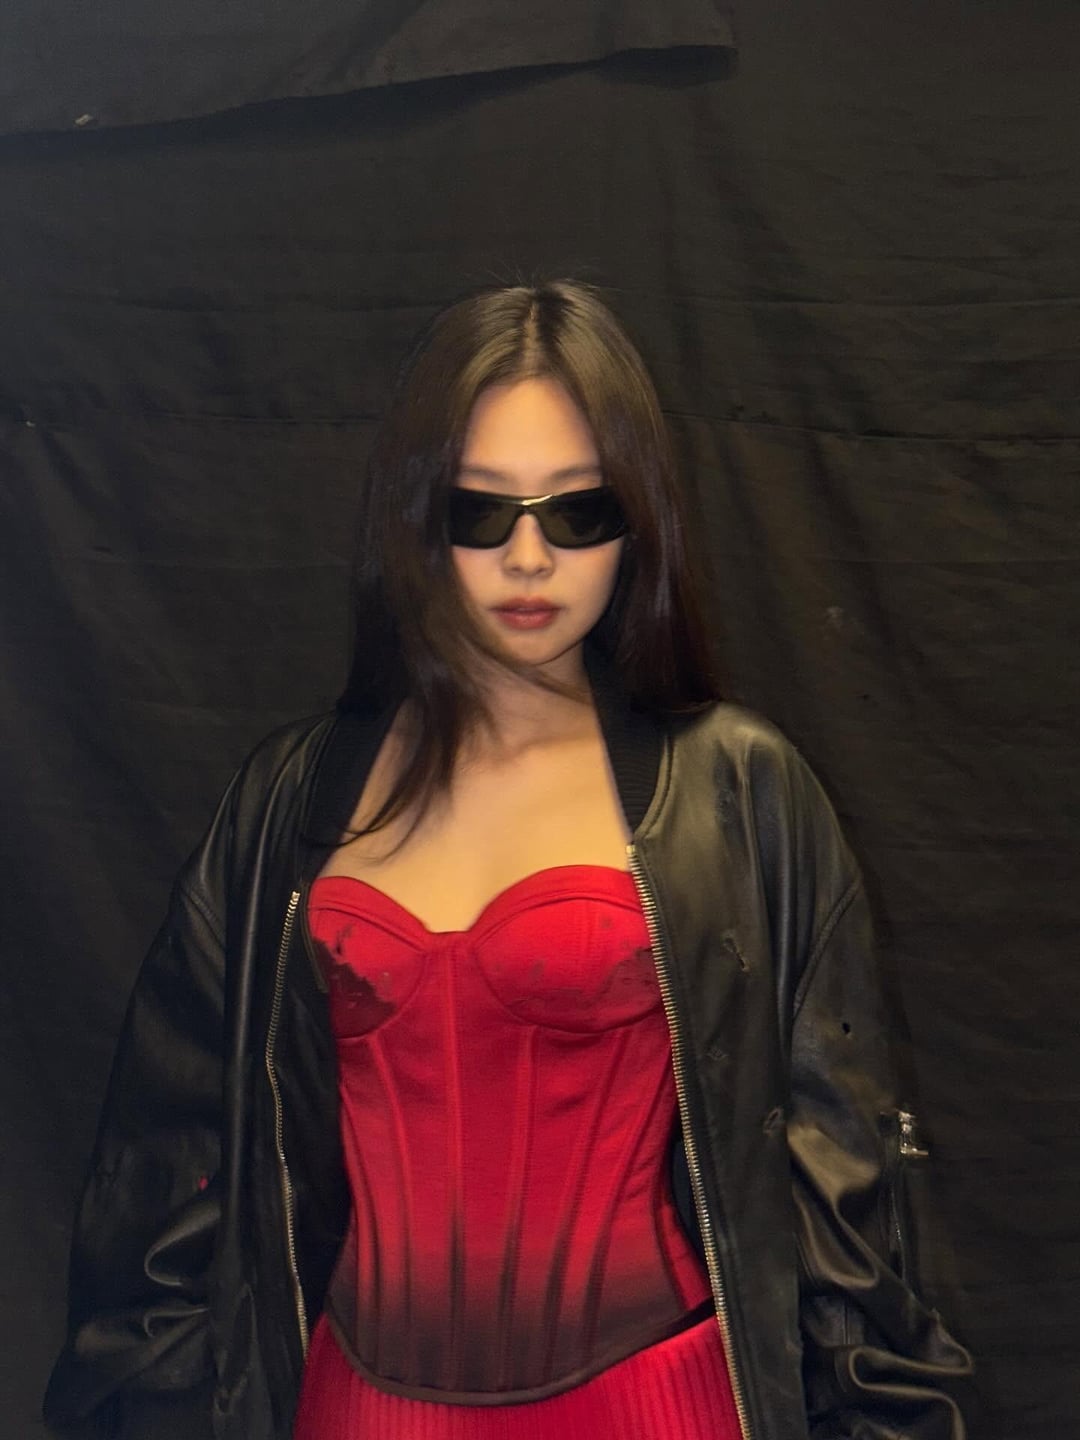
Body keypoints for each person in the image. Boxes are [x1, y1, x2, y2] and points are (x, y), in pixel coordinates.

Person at [44, 279, 972, 1440]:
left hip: (656, 1411)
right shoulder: (290, 803)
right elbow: (171, 1164)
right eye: (480, 512)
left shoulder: (740, 792)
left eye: (578, 511)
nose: (528, 558)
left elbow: (845, 1186)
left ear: (640, 520)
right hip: (357, 1414)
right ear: (415, 518)